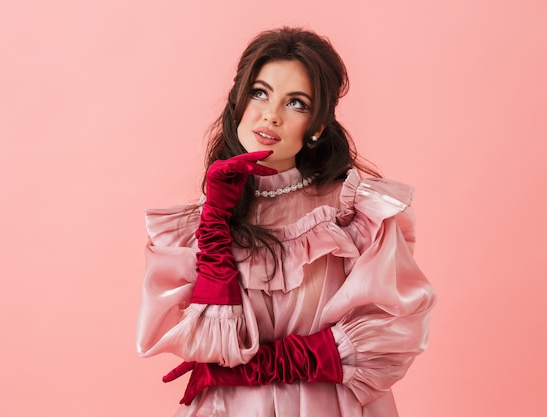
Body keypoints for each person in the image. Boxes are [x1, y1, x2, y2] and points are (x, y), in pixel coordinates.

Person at [136, 27, 435, 417]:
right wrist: (215, 218)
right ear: (238, 101)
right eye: (260, 93)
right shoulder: (201, 221)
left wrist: (257, 368)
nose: (270, 115)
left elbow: (390, 336)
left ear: (317, 126)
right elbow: (210, 342)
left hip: (327, 406)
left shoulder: (354, 209)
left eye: (296, 103)